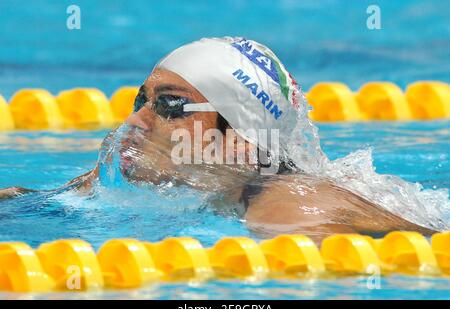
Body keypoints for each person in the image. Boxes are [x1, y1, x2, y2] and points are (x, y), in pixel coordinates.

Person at [0, 37, 434, 241]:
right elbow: (29, 203)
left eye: (170, 105)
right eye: (142, 99)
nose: (137, 119)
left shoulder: (286, 209)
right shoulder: (121, 175)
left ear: (243, 139)